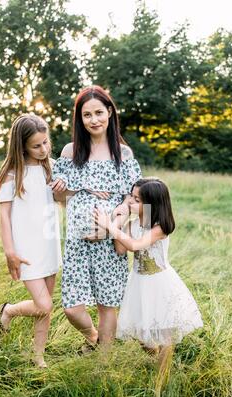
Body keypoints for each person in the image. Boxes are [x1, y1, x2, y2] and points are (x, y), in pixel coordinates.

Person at [52, 85, 142, 350]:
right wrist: (64, 190)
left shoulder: (123, 155)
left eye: (99, 113)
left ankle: (103, 363)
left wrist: (111, 224)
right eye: (87, 115)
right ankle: (93, 338)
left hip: (109, 240)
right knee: (71, 307)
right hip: (77, 242)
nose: (94, 120)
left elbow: (133, 199)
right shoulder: (71, 152)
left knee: (107, 305)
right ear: (80, 119)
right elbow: (60, 199)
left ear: (110, 112)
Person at [93, 177, 203, 368]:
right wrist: (121, 219)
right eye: (131, 197)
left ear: (152, 203)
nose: (131, 202)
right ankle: (156, 362)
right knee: (143, 336)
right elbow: (121, 249)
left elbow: (136, 245)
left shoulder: (160, 227)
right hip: (138, 282)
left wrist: (110, 226)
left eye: (137, 200)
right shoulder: (134, 225)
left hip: (159, 283)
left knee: (163, 334)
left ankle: (162, 380)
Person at [0, 114, 63, 368]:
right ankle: (8, 311)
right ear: (21, 145)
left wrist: (62, 191)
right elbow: (4, 215)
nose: (44, 150)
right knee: (43, 304)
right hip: (26, 249)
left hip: (50, 244)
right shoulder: (11, 174)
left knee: (45, 307)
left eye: (46, 142)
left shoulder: (53, 166)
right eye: (36, 146)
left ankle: (38, 357)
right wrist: (9, 251)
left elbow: (63, 201)